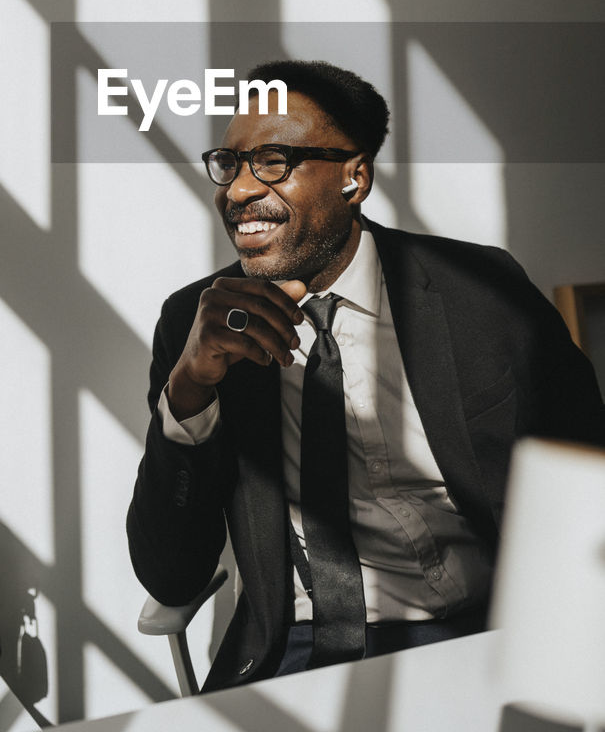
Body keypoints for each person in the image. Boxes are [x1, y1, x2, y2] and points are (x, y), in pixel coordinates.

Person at [126, 59, 605, 691]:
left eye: (272, 161)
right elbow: (170, 577)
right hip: (297, 646)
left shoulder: (481, 294)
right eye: (230, 163)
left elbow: (587, 480)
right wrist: (189, 388)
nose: (238, 190)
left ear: (354, 177)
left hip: (486, 631)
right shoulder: (197, 322)